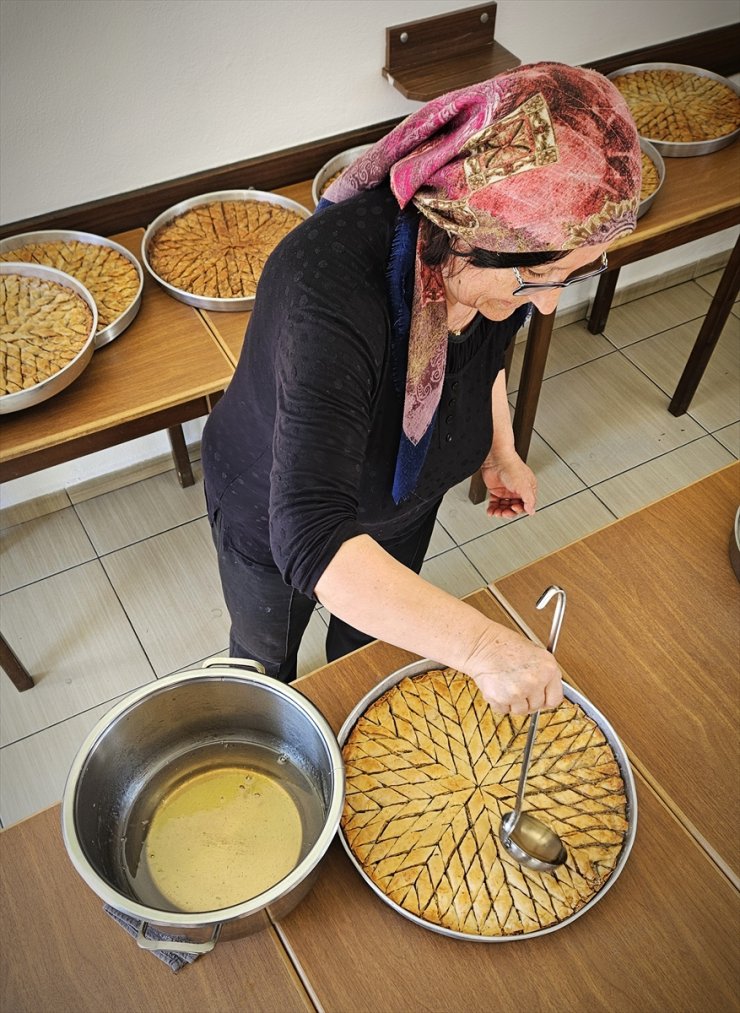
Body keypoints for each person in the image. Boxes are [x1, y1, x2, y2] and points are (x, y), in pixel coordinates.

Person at [201, 62, 641, 716]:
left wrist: (499, 448)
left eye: (568, 279)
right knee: (267, 655)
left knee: (364, 647)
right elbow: (311, 533)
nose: (547, 306)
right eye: (541, 278)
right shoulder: (325, 287)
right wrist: (486, 647)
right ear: (475, 238)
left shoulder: (500, 261)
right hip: (272, 509)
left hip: (402, 502)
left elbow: (483, 359)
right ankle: (266, 708)